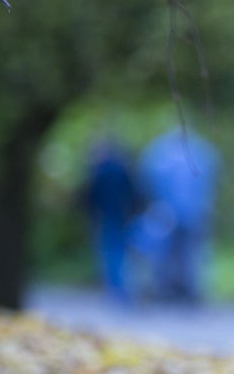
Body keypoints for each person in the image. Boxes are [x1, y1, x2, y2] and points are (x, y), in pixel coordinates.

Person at [136, 127, 218, 303]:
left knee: (165, 253)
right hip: (196, 211)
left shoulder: (159, 151)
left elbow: (146, 180)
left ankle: (166, 292)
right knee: (191, 253)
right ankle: (189, 292)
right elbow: (213, 178)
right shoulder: (203, 150)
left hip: (167, 211)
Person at [82, 137, 141, 302]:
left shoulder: (99, 171)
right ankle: (127, 288)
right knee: (123, 252)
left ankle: (116, 289)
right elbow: (133, 191)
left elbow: (92, 195)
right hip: (124, 214)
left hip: (106, 215)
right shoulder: (123, 168)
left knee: (110, 252)